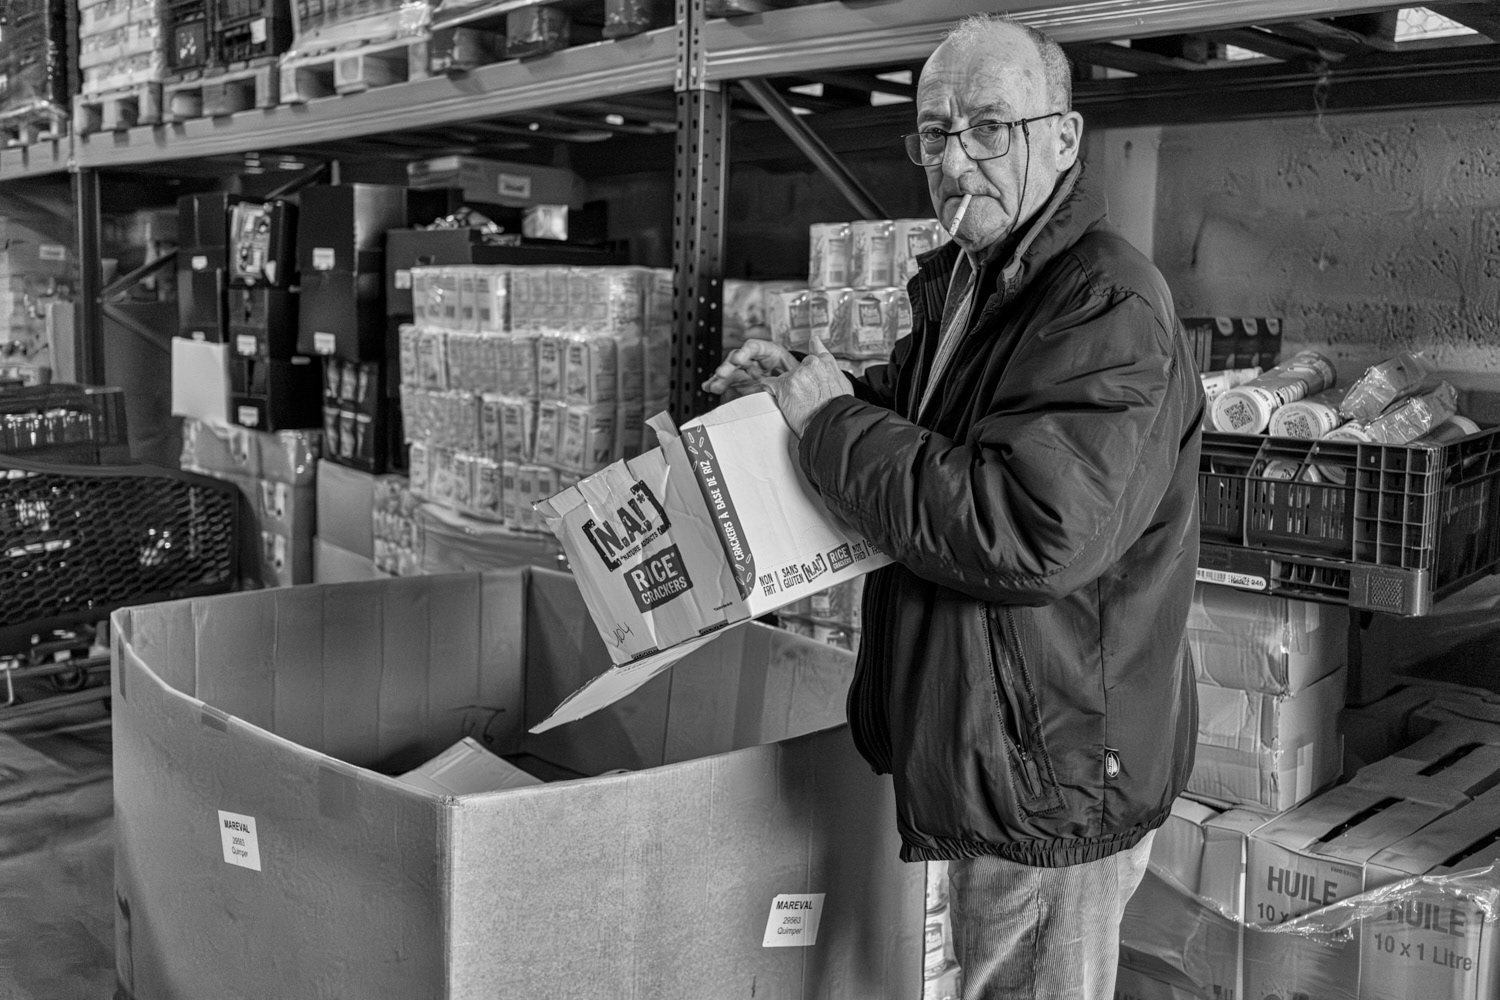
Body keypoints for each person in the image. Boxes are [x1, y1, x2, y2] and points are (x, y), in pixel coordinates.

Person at [703, 14, 1203, 1000]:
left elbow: (1027, 527)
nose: (955, 158)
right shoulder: (983, 282)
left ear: (1063, 138)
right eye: (934, 133)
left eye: (989, 126)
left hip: (1049, 773)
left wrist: (834, 427)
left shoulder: (1105, 305)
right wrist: (814, 389)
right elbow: (945, 426)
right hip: (1005, 747)